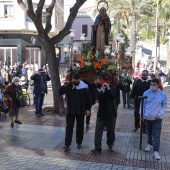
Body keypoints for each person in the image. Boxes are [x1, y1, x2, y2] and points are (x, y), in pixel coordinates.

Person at [59, 73, 91, 150]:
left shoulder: (84, 88)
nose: (75, 81)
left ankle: (79, 142)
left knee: (80, 127)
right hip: (70, 110)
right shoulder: (69, 86)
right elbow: (60, 92)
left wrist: (88, 109)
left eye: (77, 80)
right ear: (72, 79)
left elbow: (88, 99)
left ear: (79, 79)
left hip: (81, 110)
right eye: (74, 80)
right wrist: (64, 85)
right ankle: (67, 144)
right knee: (69, 127)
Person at [141, 78, 167, 160]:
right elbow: (142, 105)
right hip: (147, 116)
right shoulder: (146, 93)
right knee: (149, 132)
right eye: (151, 84)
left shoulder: (162, 94)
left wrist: (160, 114)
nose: (152, 86)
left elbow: (164, 106)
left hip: (157, 118)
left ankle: (156, 151)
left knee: (156, 134)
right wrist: (141, 114)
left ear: (158, 85)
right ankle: (149, 144)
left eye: (154, 85)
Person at [91, 76, 117, 153]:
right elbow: (99, 97)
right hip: (101, 112)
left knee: (111, 130)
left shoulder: (111, 86)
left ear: (102, 81)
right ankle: (97, 146)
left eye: (98, 82)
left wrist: (108, 88)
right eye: (95, 83)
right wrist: (102, 89)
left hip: (110, 112)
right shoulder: (97, 89)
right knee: (98, 130)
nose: (97, 84)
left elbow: (113, 96)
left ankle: (110, 145)